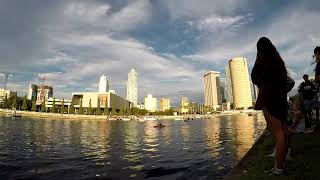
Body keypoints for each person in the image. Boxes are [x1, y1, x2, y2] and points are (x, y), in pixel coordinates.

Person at [252, 37, 295, 175]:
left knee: (278, 133)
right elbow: (288, 81)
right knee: (283, 130)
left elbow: (254, 78)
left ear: (259, 49)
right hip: (281, 100)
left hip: (268, 99)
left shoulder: (262, 59)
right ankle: (283, 159)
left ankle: (278, 169)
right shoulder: (278, 61)